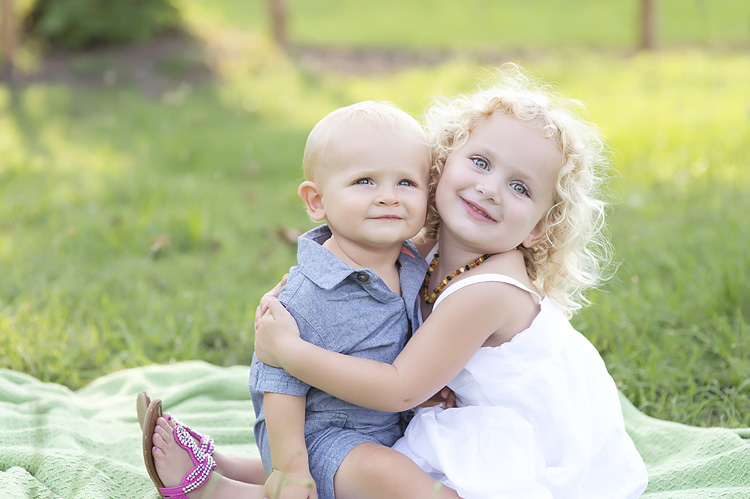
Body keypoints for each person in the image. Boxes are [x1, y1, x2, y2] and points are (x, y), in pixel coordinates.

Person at [254, 65, 649, 499]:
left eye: (520, 187)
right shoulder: (420, 248)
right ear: (439, 166)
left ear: (539, 227)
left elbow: (401, 388)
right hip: (451, 412)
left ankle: (238, 491)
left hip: (524, 441)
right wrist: (292, 302)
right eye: (480, 163)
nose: (490, 189)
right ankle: (234, 471)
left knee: (389, 477)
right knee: (358, 457)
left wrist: (289, 350)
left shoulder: (490, 288)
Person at [140, 100, 461, 499]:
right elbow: (277, 374)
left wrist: (424, 388)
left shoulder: (412, 264)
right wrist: (291, 466)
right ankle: (216, 489)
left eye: (406, 183)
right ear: (316, 202)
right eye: (365, 182)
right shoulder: (311, 291)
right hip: (320, 434)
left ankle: (228, 465)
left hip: (383, 426)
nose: (388, 197)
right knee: (406, 483)